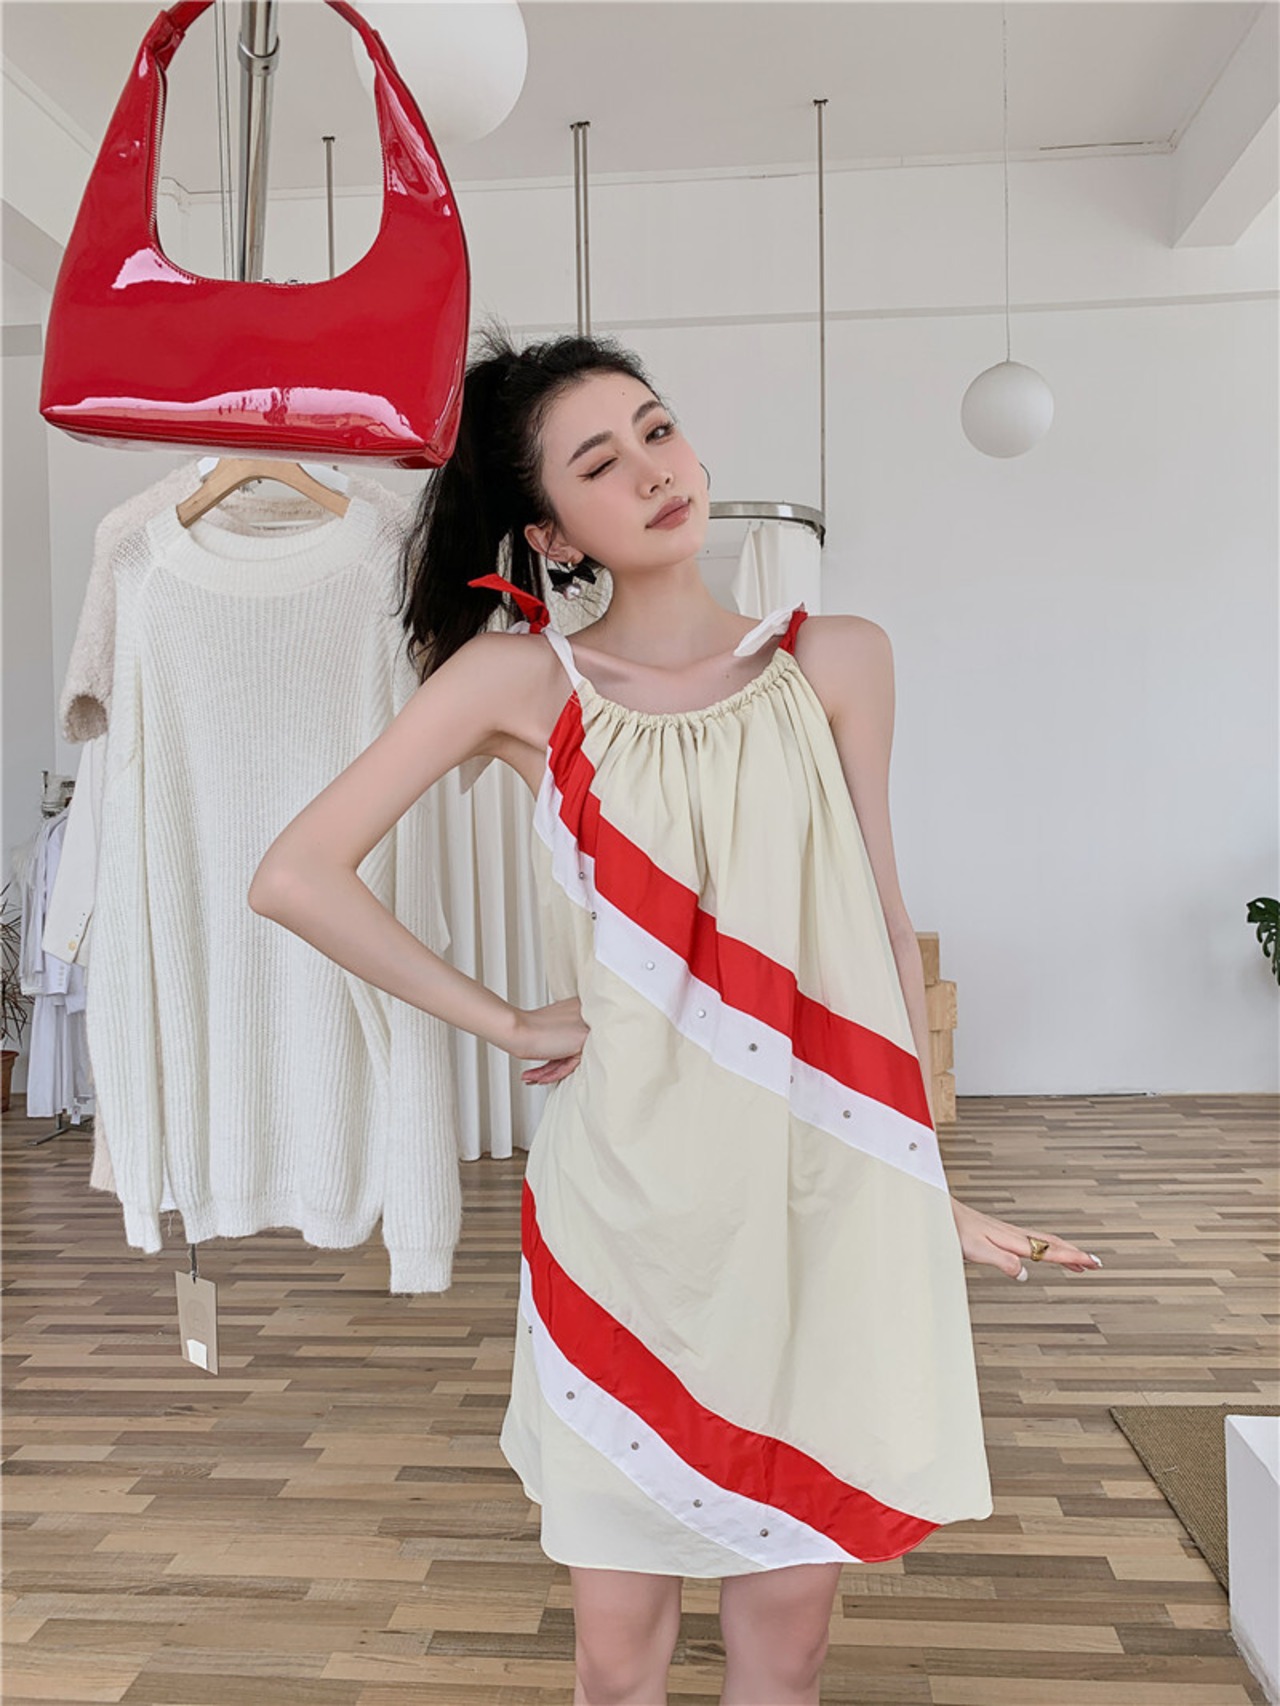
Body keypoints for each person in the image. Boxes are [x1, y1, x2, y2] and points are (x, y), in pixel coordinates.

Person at [249, 322, 1103, 1706]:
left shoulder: (842, 659)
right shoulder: (522, 684)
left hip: (817, 1208)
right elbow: (295, 874)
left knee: (789, 1649)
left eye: (657, 430)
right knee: (617, 1652)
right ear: (550, 532)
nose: (654, 470)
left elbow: (880, 931)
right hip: (627, 1220)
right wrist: (510, 1025)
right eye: (600, 462)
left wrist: (919, 1181)